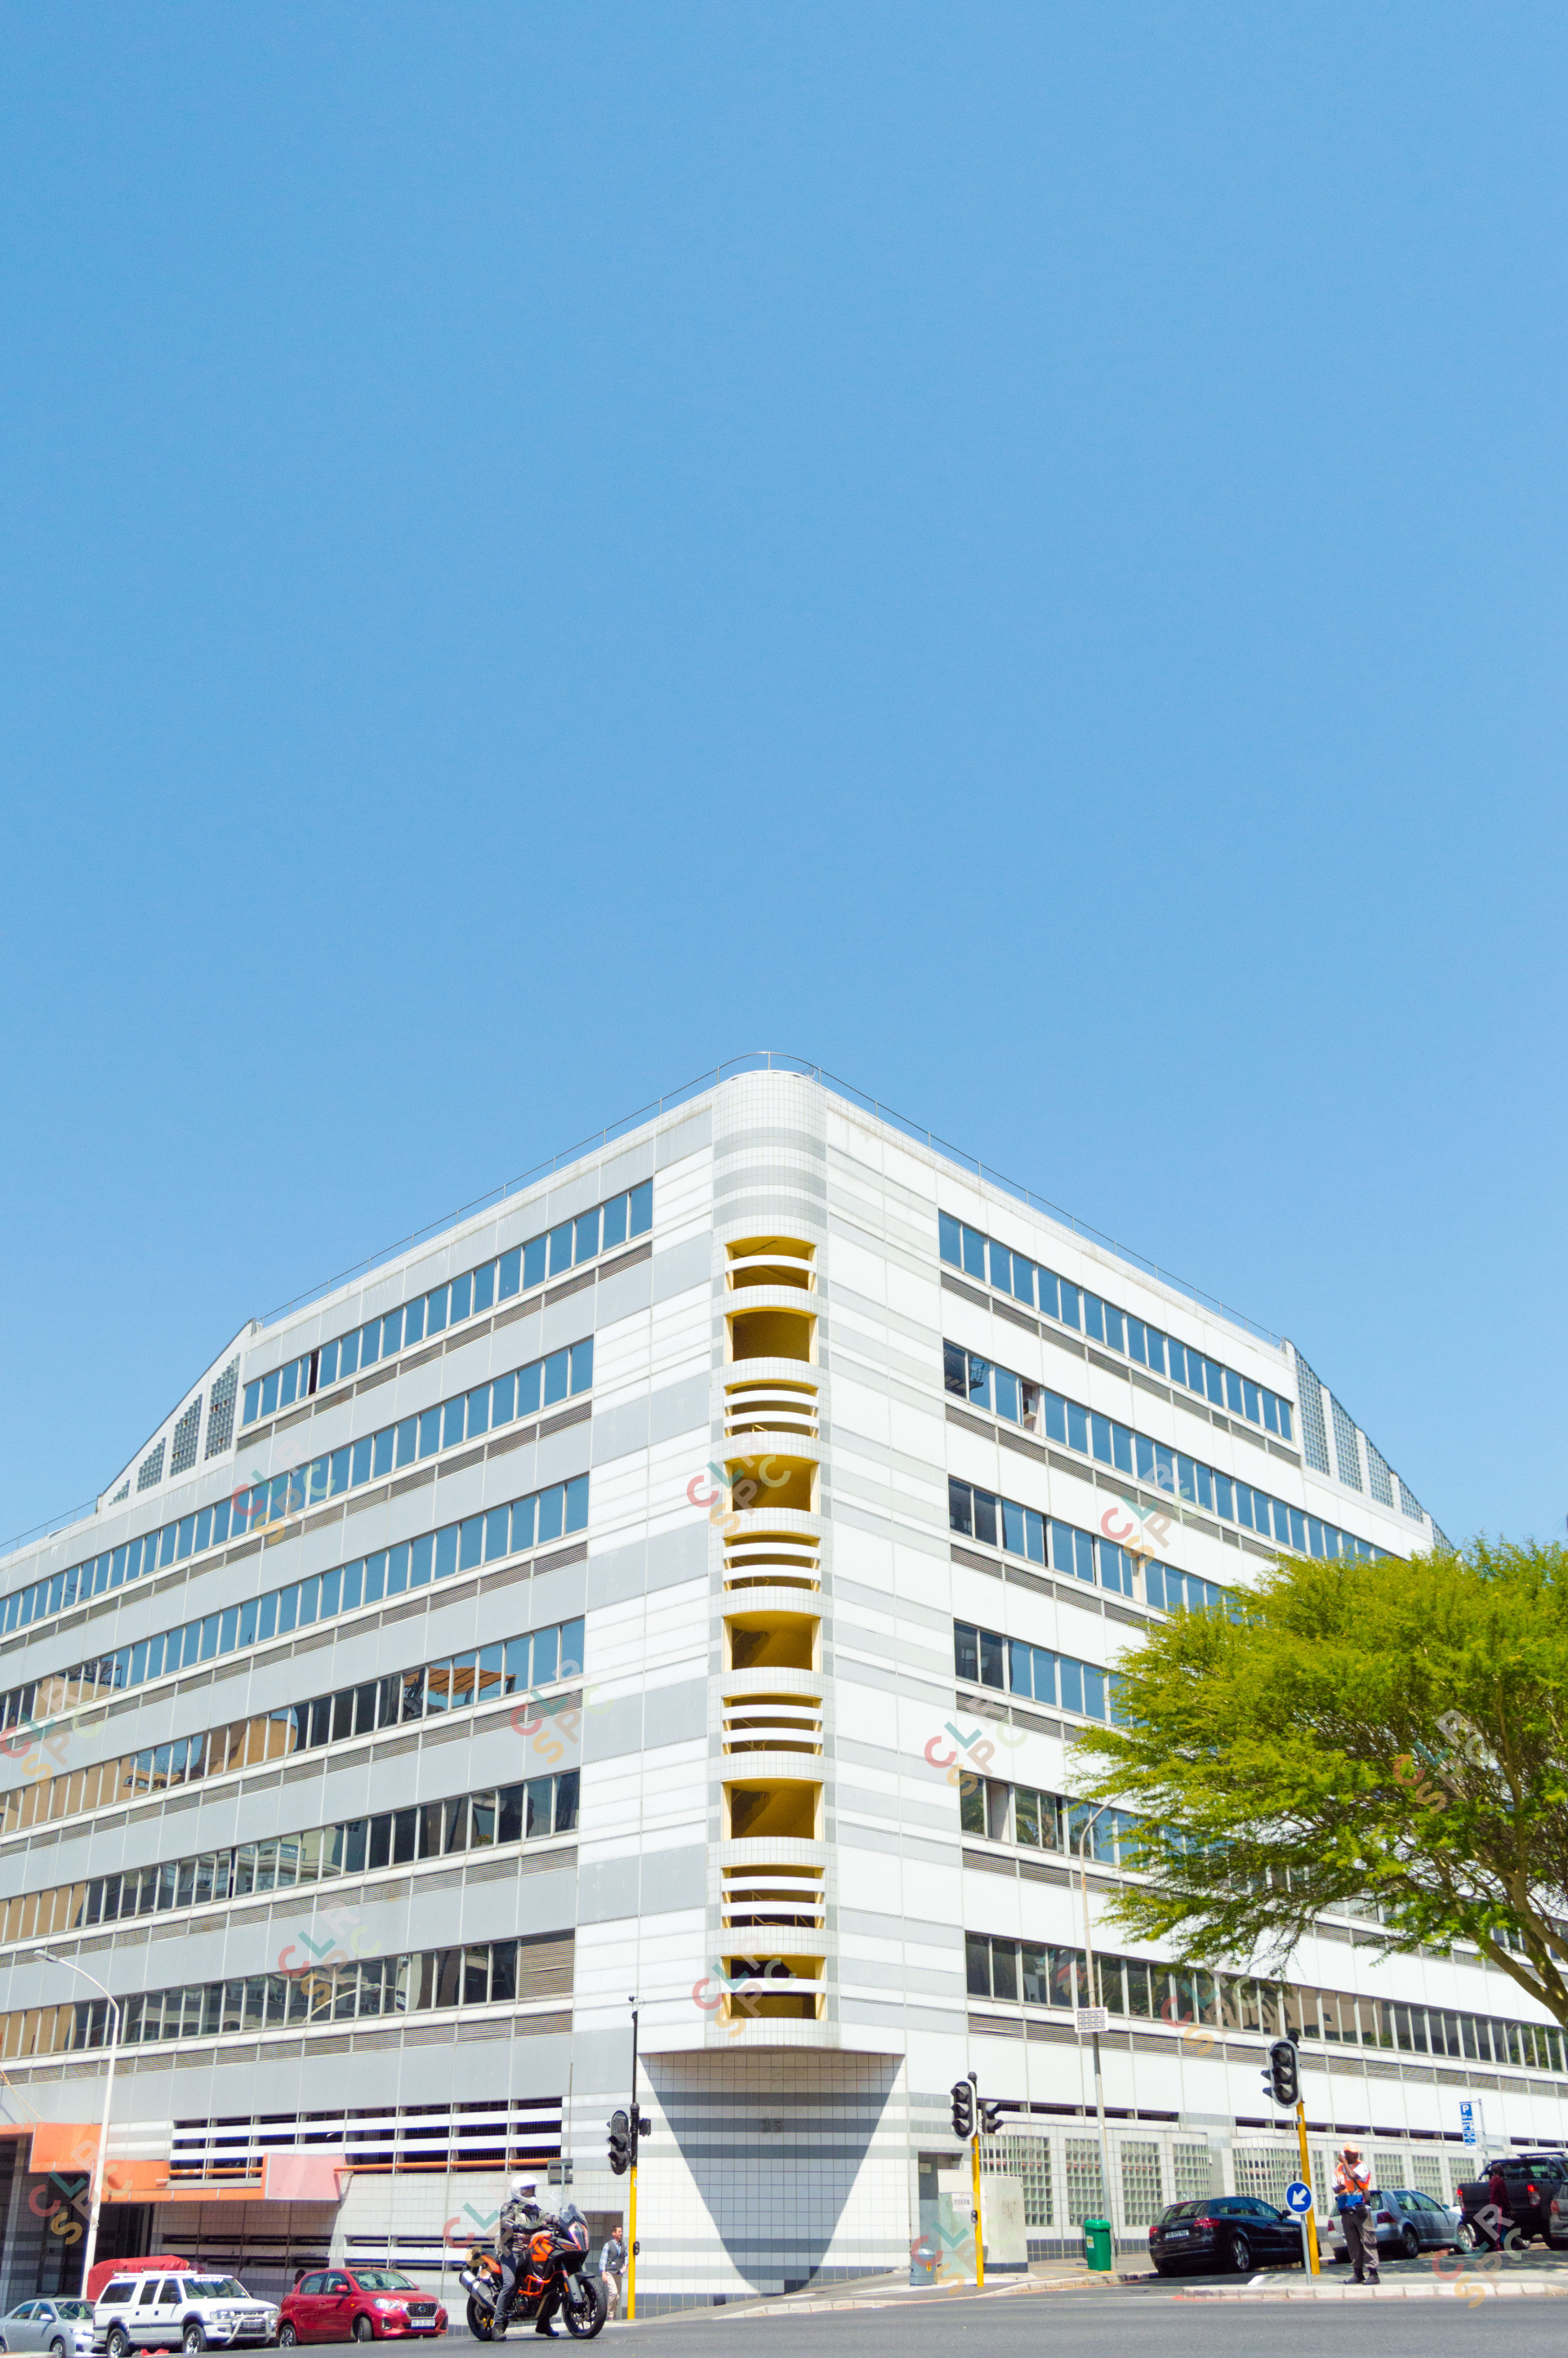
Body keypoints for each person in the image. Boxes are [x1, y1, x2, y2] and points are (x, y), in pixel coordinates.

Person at [494, 2175, 543, 2330]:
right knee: (509, 2283)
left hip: (527, 2252)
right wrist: (516, 2226)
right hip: (509, 2252)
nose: (530, 2192)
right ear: (518, 2191)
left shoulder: (533, 2209)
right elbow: (506, 2220)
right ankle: (498, 2325)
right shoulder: (509, 2207)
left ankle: (544, 2323)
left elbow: (545, 2216)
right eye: (526, 2189)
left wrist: (558, 2221)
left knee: (545, 2282)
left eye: (531, 2189)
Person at [1334, 2144, 1378, 2284]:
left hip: (1360, 2210)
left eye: (1356, 2153)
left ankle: (1373, 2274)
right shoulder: (1338, 2170)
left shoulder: (1361, 2166)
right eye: (1352, 2153)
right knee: (1353, 2244)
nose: (1356, 2155)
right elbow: (1335, 2188)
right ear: (1345, 2153)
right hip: (1346, 2211)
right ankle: (1358, 2274)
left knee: (1368, 2241)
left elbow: (1353, 2176)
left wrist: (1344, 2162)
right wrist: (1338, 2187)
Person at [599, 2227, 626, 2320]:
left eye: (621, 2232)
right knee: (614, 2293)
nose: (621, 2233)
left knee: (617, 2295)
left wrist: (625, 2266)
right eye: (619, 2232)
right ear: (614, 2233)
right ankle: (610, 2313)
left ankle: (613, 2314)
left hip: (618, 2272)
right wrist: (603, 2273)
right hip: (609, 2272)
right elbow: (603, 2259)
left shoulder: (623, 2245)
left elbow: (626, 2256)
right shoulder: (608, 2245)